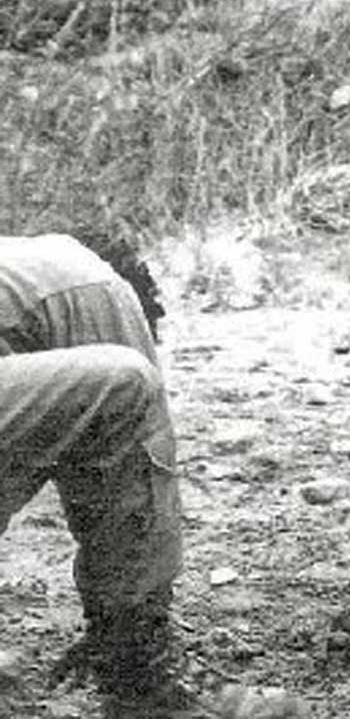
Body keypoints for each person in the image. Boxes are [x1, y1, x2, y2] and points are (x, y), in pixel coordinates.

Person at [0, 234, 195, 718]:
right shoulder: (95, 283)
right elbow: (145, 471)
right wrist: (133, 619)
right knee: (126, 385)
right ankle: (140, 675)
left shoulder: (19, 276)